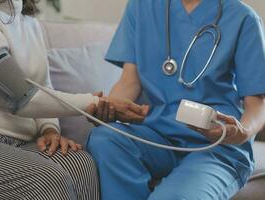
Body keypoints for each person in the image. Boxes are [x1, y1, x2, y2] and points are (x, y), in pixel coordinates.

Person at [0, 0, 148, 199]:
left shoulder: (29, 23)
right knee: (49, 180)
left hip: (18, 142)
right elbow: (20, 97)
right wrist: (92, 104)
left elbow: (44, 87)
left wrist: (49, 130)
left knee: (81, 164)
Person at [86, 0, 265, 199]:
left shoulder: (242, 17)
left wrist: (242, 133)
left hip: (217, 146)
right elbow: (130, 81)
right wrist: (107, 107)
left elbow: (258, 104)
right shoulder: (141, 6)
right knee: (106, 138)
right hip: (156, 136)